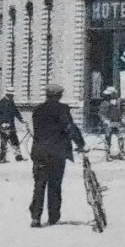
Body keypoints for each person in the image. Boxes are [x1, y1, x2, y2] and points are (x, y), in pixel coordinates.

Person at [29, 83, 87, 227]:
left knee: (39, 184)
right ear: (59, 95)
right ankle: (53, 217)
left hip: (40, 152)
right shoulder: (62, 109)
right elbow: (69, 127)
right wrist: (80, 143)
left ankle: (36, 217)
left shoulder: (37, 110)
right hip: (56, 153)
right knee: (55, 184)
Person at [0, 86, 24, 163]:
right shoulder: (1, 103)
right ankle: (2, 159)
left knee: (15, 141)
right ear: (8, 95)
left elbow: (16, 112)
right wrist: (2, 123)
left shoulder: (12, 103)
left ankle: (18, 157)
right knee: (4, 143)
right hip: (3, 126)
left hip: (11, 125)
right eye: (11, 95)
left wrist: (22, 120)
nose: (12, 96)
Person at [97, 85, 125, 159]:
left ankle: (121, 153)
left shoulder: (118, 101)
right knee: (108, 138)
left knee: (121, 137)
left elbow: (121, 111)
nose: (111, 95)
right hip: (108, 123)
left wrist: (122, 118)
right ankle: (108, 154)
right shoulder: (105, 103)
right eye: (109, 94)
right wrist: (105, 120)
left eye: (112, 94)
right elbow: (100, 113)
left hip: (117, 122)